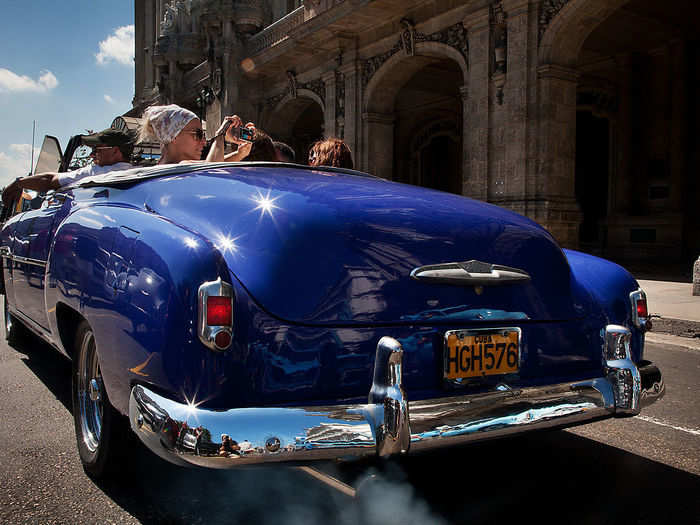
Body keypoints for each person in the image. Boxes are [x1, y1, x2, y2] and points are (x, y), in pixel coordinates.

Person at [1, 128, 133, 206]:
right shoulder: (137, 174)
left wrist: (18, 183)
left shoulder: (96, 172)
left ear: (115, 151)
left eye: (97, 149)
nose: (92, 155)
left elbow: (49, 180)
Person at [138, 104, 207, 164]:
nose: (204, 142)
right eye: (198, 135)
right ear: (173, 136)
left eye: (203, 136)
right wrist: (217, 143)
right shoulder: (177, 171)